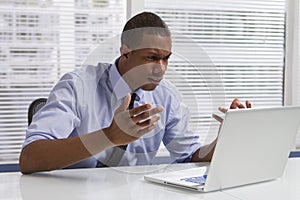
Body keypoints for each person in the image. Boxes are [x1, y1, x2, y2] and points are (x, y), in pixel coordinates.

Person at [19, 12, 251, 174]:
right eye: (151, 57)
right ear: (126, 54)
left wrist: (226, 138)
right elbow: (30, 158)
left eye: (166, 59)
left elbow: (189, 157)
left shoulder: (166, 96)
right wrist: (109, 136)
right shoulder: (77, 86)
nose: (161, 68)